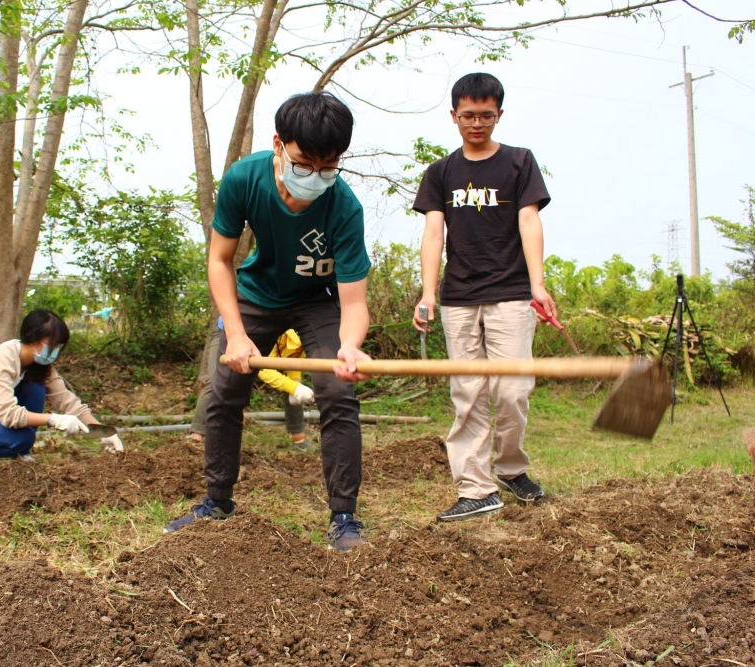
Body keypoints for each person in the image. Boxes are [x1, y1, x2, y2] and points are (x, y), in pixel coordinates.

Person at [164, 91, 373, 552]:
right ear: (279, 145)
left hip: (317, 301)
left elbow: (353, 302)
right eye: (303, 163)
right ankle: (216, 501)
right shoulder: (245, 178)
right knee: (224, 390)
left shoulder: (344, 208)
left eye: (328, 166)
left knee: (338, 392)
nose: (315, 176)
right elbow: (220, 260)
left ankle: (344, 517)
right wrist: (235, 334)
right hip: (257, 293)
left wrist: (351, 346)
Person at [412, 72, 555, 522]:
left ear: (499, 115)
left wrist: (538, 284)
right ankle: (476, 488)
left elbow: (530, 222)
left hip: (512, 294)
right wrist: (427, 293)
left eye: (486, 115)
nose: (477, 123)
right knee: (468, 392)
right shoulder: (441, 173)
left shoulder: (518, 162)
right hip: (458, 298)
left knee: (512, 392)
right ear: (454, 116)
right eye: (469, 115)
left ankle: (511, 468)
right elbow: (434, 233)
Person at [0, 309, 122, 460]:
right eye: (51, 345)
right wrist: (54, 419)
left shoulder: (40, 366)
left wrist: (102, 431)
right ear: (31, 337)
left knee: (36, 388)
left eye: (59, 347)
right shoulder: (4, 357)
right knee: (22, 440)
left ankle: (15, 448)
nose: (55, 351)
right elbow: (7, 414)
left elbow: (68, 402)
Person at [189, 324, 316, 451]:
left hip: (252, 334)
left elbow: (293, 359)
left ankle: (299, 441)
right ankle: (196, 440)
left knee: (293, 388)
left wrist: (295, 383)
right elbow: (262, 368)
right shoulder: (273, 327)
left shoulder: (305, 333)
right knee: (215, 380)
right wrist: (294, 388)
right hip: (226, 331)